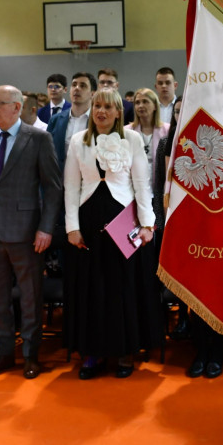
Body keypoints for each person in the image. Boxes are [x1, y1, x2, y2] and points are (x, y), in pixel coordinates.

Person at [0, 86, 62, 380]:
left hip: (26, 234)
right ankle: (4, 352)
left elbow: (53, 187)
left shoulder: (38, 139)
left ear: (17, 108)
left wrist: (46, 228)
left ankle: (31, 354)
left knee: (31, 297)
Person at [64, 88, 161, 379]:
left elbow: (142, 184)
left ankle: (124, 352)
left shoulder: (131, 139)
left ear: (119, 112)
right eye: (97, 106)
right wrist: (71, 227)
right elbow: (70, 186)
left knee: (122, 289)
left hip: (124, 221)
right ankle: (92, 353)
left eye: (108, 107)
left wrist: (147, 224)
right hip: (88, 222)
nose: (101, 111)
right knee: (92, 289)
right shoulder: (77, 141)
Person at [47, 72, 95, 172]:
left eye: (83, 86)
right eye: (74, 85)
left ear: (92, 93)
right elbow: (47, 153)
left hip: (88, 179)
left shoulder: (97, 120)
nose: (77, 88)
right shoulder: (55, 120)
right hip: (59, 178)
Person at [126, 88, 168, 174]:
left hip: (160, 181)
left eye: (145, 102)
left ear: (155, 106)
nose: (140, 105)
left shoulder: (167, 130)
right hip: (134, 179)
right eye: (137, 103)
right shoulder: (126, 131)